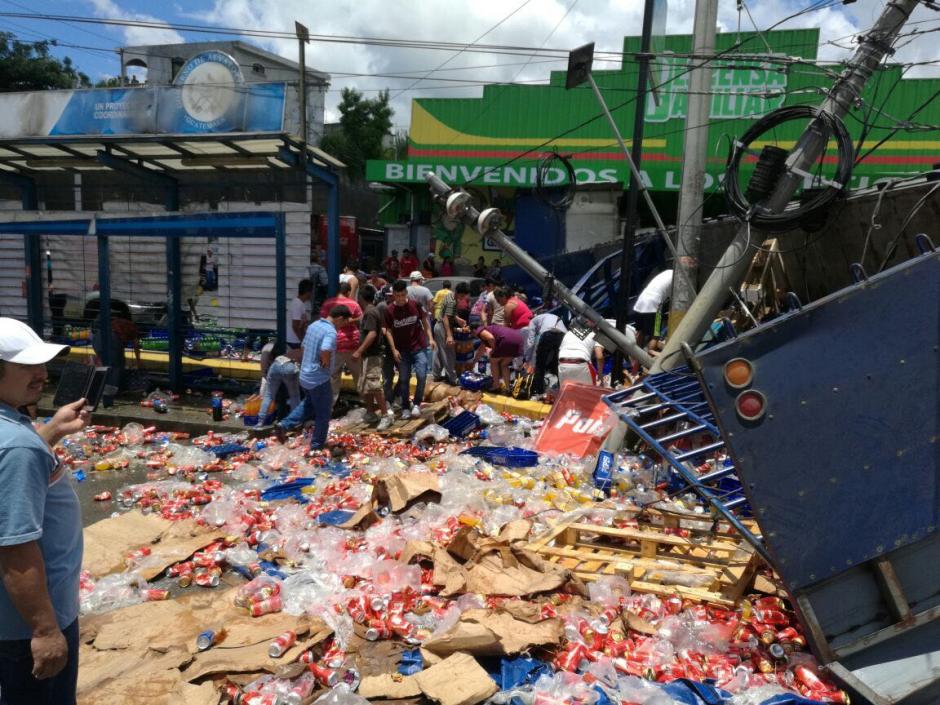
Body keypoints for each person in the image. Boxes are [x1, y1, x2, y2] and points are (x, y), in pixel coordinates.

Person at [0, 317, 90, 705]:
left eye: (42, 364)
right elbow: (16, 549)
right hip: (24, 628)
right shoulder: (16, 446)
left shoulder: (11, 431)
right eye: (27, 366)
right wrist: (45, 631)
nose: (42, 375)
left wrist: (52, 430)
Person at [275, 305, 351, 450]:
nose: (342, 327)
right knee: (323, 413)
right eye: (344, 323)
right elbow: (325, 349)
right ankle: (317, 445)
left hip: (305, 375)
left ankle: (283, 425)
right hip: (319, 378)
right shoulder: (330, 332)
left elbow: (303, 347)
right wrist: (325, 363)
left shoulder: (314, 325)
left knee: (308, 404)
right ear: (340, 318)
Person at [384, 280, 435, 420]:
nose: (400, 298)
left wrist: (430, 338)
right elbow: (388, 331)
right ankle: (405, 407)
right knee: (404, 379)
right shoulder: (389, 310)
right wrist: (394, 349)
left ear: (406, 293)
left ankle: (417, 403)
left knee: (422, 375)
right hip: (402, 350)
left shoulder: (415, 305)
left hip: (419, 347)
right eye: (397, 295)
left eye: (402, 295)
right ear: (393, 295)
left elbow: (425, 321)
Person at [353, 284, 394, 431]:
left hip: (373, 355)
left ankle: (385, 416)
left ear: (361, 297)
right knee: (367, 386)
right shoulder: (370, 311)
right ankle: (370, 413)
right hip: (368, 355)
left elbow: (372, 334)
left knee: (374, 385)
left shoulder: (370, 312)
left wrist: (359, 351)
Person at [319, 281, 363, 402]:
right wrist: (350, 321)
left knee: (333, 376)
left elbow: (322, 320)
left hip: (334, 343)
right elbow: (361, 318)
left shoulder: (328, 303)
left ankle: (331, 404)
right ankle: (365, 401)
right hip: (352, 344)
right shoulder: (353, 304)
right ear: (348, 292)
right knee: (358, 375)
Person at [432, 281, 469, 385]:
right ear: (458, 293)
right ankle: (453, 378)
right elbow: (446, 318)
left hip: (438, 326)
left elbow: (448, 313)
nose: (463, 298)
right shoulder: (452, 301)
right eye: (462, 295)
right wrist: (449, 335)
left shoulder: (449, 295)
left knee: (439, 352)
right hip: (443, 327)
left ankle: (436, 375)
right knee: (449, 353)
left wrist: (458, 319)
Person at [524, 310, 567, 395]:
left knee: (540, 365)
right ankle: (561, 390)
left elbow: (530, 342)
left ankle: (539, 392)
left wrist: (527, 359)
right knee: (558, 364)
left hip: (548, 334)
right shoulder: (551, 316)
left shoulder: (533, 320)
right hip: (562, 335)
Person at [473, 324, 525, 394]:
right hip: (517, 340)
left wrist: (493, 349)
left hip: (506, 340)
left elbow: (491, 338)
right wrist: (474, 362)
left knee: (493, 361)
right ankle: (508, 388)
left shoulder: (480, 330)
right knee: (504, 365)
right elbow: (481, 350)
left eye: (472, 334)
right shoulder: (488, 330)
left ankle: (496, 386)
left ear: (474, 330)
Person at [259, 339, 301, 422]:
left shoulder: (266, 349)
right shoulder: (287, 347)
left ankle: (260, 421)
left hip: (275, 368)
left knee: (268, 395)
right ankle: (294, 420)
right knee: (294, 396)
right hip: (288, 367)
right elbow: (296, 364)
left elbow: (264, 372)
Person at [633, 269, 673, 347]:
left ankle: (635, 353)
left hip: (640, 303)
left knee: (640, 331)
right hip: (654, 305)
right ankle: (650, 352)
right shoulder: (677, 278)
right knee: (655, 336)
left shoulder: (667, 272)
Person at [287, 279, 313, 350]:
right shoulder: (297, 304)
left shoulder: (300, 304)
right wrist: (303, 340)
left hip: (296, 340)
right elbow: (295, 326)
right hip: (294, 341)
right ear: (308, 292)